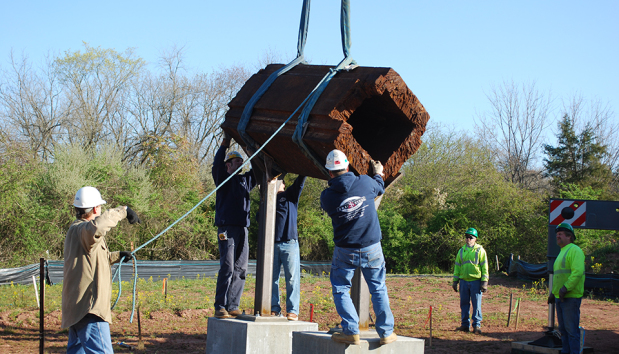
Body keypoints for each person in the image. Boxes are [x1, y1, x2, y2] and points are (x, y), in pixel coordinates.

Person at [320, 149, 397, 346]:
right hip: (372, 246)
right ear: (347, 166)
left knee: (340, 288)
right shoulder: (364, 182)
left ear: (329, 172)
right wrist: (378, 172)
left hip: (345, 250)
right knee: (378, 288)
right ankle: (386, 332)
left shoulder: (327, 197)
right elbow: (380, 187)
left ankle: (351, 331)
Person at [62, 186, 140, 353]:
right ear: (96, 208)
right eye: (100, 207)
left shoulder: (76, 230)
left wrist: (117, 256)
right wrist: (123, 211)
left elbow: (90, 260)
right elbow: (97, 228)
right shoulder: (83, 230)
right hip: (89, 311)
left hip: (78, 310)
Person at [212, 131, 257, 319]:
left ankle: (233, 305)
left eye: (241, 161)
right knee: (228, 266)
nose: (240, 163)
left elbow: (257, 170)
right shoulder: (222, 178)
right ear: (228, 164)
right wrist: (225, 144)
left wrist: (250, 149)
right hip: (226, 229)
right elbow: (216, 164)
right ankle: (220, 305)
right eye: (236, 161)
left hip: (242, 229)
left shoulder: (245, 181)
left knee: (241, 268)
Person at [269, 175, 306, 321]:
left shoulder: (289, 196)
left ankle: (292, 311)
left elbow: (300, 182)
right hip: (271, 245)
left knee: (292, 279)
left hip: (289, 244)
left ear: (283, 184)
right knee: (272, 279)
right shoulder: (268, 200)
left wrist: (304, 169)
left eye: (279, 181)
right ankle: (274, 308)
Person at [547, 223, 585, 354]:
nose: (557, 235)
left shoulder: (574, 250)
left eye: (560, 233)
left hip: (570, 297)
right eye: (557, 233)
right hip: (561, 297)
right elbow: (560, 277)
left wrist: (565, 288)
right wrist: (554, 293)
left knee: (571, 331)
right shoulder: (562, 252)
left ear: (569, 236)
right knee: (563, 330)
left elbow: (577, 272)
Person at [452, 227, 489, 334]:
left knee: (476, 304)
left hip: (475, 281)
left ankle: (476, 325)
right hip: (463, 281)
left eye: (470, 237)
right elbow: (457, 266)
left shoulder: (480, 251)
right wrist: (455, 281)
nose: (468, 239)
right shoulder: (461, 251)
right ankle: (464, 325)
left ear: (475, 239)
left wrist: (484, 282)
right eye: (466, 237)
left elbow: (485, 267)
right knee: (464, 304)